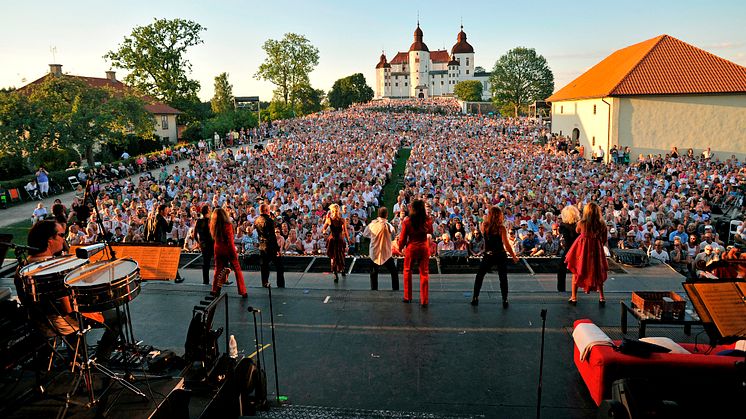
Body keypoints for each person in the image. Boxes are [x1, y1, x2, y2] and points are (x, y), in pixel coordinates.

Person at [17, 220, 121, 362]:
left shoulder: (22, 268)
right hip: (62, 323)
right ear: (50, 241)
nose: (64, 238)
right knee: (118, 317)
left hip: (37, 322)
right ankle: (100, 360)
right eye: (61, 235)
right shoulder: (55, 270)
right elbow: (68, 308)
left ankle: (76, 357)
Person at [471, 206, 519, 308]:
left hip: (489, 254)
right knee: (503, 277)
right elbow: (506, 244)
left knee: (479, 276)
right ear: (499, 216)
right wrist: (514, 256)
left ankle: (475, 297)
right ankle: (504, 299)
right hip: (500, 254)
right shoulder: (501, 228)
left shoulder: (484, 226)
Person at [565, 202, 609, 306]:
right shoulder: (602, 224)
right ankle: (602, 297)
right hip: (596, 250)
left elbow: (577, 231)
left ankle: (574, 297)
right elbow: (604, 239)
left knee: (577, 270)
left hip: (582, 250)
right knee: (598, 271)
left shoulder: (582, 223)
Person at [397, 199, 433, 307]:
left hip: (412, 247)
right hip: (423, 247)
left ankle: (408, 297)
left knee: (407, 270)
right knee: (424, 273)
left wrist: (400, 247)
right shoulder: (428, 220)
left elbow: (403, 238)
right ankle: (424, 300)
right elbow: (430, 232)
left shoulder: (407, 221)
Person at [210, 208, 247, 297]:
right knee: (237, 269)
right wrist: (234, 252)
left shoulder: (213, 225)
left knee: (218, 269)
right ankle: (242, 291)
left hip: (218, 249)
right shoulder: (228, 225)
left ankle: (215, 289)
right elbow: (230, 241)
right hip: (228, 249)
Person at [362, 207, 399, 291]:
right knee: (394, 272)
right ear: (386, 215)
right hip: (386, 253)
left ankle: (374, 289)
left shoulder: (372, 225)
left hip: (374, 252)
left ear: (378, 214)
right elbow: (393, 238)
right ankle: (395, 289)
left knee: (374, 273)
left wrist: (373, 236)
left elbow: (365, 234)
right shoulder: (389, 226)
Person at [254, 204, 285, 288]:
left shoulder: (256, 220)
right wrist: (277, 249)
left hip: (262, 246)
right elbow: (272, 236)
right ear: (266, 210)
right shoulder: (269, 221)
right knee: (279, 266)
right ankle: (280, 284)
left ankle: (264, 282)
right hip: (270, 246)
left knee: (264, 266)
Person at [557, 205, 581, 292]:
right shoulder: (578, 225)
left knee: (561, 268)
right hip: (578, 249)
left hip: (569, 249)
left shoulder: (563, 226)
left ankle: (561, 289)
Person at [323, 203, 349, 282]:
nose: (336, 212)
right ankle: (335, 272)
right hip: (333, 240)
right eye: (335, 211)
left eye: (337, 211)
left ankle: (341, 269)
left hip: (339, 239)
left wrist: (348, 239)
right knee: (335, 256)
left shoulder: (342, 220)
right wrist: (325, 232)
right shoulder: (329, 220)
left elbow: (345, 231)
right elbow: (324, 229)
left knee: (340, 255)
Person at [194, 205, 214, 285]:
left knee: (206, 263)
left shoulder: (199, 221)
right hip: (210, 243)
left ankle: (206, 280)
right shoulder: (210, 221)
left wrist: (199, 243)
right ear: (208, 211)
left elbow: (195, 235)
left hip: (204, 244)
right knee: (214, 262)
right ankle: (221, 280)